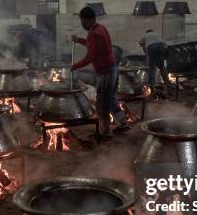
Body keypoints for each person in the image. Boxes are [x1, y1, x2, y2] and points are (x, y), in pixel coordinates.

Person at [71, 7, 129, 139]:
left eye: (82, 21)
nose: (82, 24)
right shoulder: (100, 28)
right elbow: (93, 46)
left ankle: (105, 132)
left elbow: (90, 56)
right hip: (112, 68)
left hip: (105, 73)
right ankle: (123, 123)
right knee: (111, 99)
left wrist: (75, 66)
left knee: (102, 104)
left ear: (89, 19)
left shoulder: (94, 33)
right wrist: (79, 40)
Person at [139, 29, 171, 94]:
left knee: (151, 68)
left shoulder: (145, 35)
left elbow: (142, 44)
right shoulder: (158, 34)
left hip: (151, 47)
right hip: (162, 47)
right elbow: (166, 48)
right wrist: (167, 59)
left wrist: (146, 54)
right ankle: (168, 85)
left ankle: (152, 88)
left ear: (147, 32)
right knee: (162, 67)